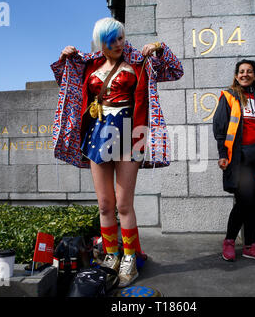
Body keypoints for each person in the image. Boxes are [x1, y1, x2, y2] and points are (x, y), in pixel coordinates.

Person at [50, 17, 183, 287]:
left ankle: (130, 259)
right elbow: (63, 81)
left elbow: (175, 70)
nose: (119, 44)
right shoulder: (88, 63)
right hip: (97, 134)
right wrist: (65, 58)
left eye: (121, 38)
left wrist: (159, 47)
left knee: (123, 204)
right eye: (113, 41)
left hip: (129, 133)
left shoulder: (139, 60)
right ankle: (111, 255)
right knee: (105, 205)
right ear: (102, 43)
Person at [213, 59, 255, 263]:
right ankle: (231, 242)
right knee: (245, 200)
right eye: (241, 71)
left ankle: (250, 245)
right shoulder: (228, 96)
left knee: (254, 202)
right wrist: (223, 154)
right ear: (236, 75)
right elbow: (220, 129)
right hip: (238, 157)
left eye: (249, 71)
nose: (245, 74)